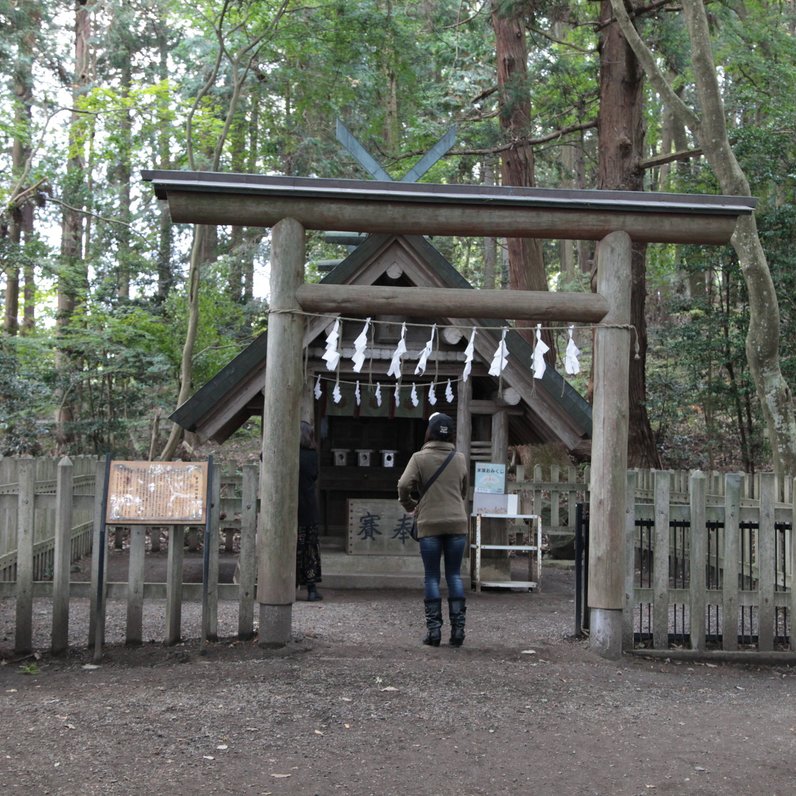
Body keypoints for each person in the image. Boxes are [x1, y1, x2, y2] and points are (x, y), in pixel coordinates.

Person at [397, 412, 469, 647]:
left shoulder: (419, 458)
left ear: (429, 432)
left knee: (431, 576)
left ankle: (434, 632)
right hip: (457, 522)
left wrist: (410, 505)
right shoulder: (459, 458)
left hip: (429, 523)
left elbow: (403, 484)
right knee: (454, 575)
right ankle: (458, 632)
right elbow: (463, 490)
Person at [297, 420, 323, 601]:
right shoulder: (312, 455)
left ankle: (289, 584)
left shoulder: (288, 454)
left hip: (290, 509)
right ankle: (311, 589)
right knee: (310, 548)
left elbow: (263, 457)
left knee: (293, 548)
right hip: (309, 507)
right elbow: (314, 476)